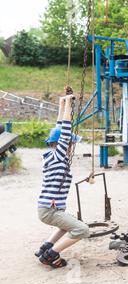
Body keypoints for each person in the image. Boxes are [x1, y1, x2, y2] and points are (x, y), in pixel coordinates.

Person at [35, 91, 89, 269]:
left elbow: (59, 129)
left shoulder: (51, 155)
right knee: (82, 229)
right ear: (61, 144)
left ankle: (45, 247)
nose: (72, 146)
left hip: (46, 208)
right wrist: (69, 104)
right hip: (50, 210)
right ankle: (51, 255)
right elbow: (64, 131)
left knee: (68, 223)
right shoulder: (59, 155)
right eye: (70, 144)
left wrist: (62, 104)